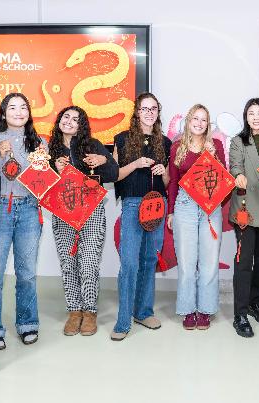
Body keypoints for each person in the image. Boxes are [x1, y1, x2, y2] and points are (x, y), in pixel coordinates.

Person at [49, 105, 119, 337]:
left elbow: (113, 174)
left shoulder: (93, 145)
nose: (69, 121)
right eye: (66, 116)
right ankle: (74, 311)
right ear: (59, 120)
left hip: (91, 213)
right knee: (68, 264)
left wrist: (103, 160)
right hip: (63, 213)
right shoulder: (49, 148)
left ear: (82, 126)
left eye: (75, 119)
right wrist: (54, 169)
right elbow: (41, 183)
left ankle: (89, 312)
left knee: (89, 263)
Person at [110, 93, 172, 341]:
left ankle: (144, 312)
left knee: (149, 259)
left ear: (158, 112)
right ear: (136, 112)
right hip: (133, 204)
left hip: (157, 204)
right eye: (145, 108)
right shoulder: (122, 139)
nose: (149, 113)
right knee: (129, 263)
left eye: (153, 108)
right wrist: (136, 164)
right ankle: (123, 320)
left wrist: (163, 171)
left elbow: (167, 182)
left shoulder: (165, 142)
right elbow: (114, 175)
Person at [0, 93, 46, 350]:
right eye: (12, 108)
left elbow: (42, 181)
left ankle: (27, 323)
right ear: (3, 112)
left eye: (23, 107)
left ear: (29, 113)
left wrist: (44, 164)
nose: (19, 112)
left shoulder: (39, 142)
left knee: (27, 273)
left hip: (29, 208)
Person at [167, 104, 225, 330]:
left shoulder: (215, 145)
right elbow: (173, 181)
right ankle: (188, 309)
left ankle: (206, 309)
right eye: (196, 119)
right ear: (188, 121)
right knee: (187, 261)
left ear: (208, 125)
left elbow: (223, 178)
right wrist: (171, 211)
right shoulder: (177, 147)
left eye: (204, 120)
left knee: (209, 261)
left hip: (211, 206)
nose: (199, 123)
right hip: (185, 204)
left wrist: (213, 157)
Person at [228, 98, 259, 338]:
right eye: (251, 113)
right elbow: (234, 166)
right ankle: (239, 314)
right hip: (245, 209)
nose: (256, 117)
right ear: (246, 117)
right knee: (243, 261)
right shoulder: (238, 141)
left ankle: (254, 303)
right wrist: (238, 175)